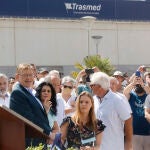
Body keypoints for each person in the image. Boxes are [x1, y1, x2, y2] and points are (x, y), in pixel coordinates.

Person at [9, 63, 54, 147]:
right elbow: (29, 118)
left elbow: (38, 116)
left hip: (38, 140)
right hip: (29, 142)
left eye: (30, 75)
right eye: (25, 75)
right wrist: (48, 133)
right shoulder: (18, 93)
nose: (28, 78)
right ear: (17, 77)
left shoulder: (30, 92)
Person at [91, 72, 133, 150]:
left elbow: (128, 119)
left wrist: (128, 143)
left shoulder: (117, 100)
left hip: (114, 146)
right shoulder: (93, 100)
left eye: (92, 85)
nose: (90, 87)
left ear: (101, 86)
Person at [123, 74, 150, 150]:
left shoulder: (148, 96)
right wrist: (133, 83)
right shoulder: (131, 95)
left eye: (140, 85)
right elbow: (125, 92)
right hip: (134, 133)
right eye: (137, 85)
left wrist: (142, 84)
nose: (139, 86)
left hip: (148, 133)